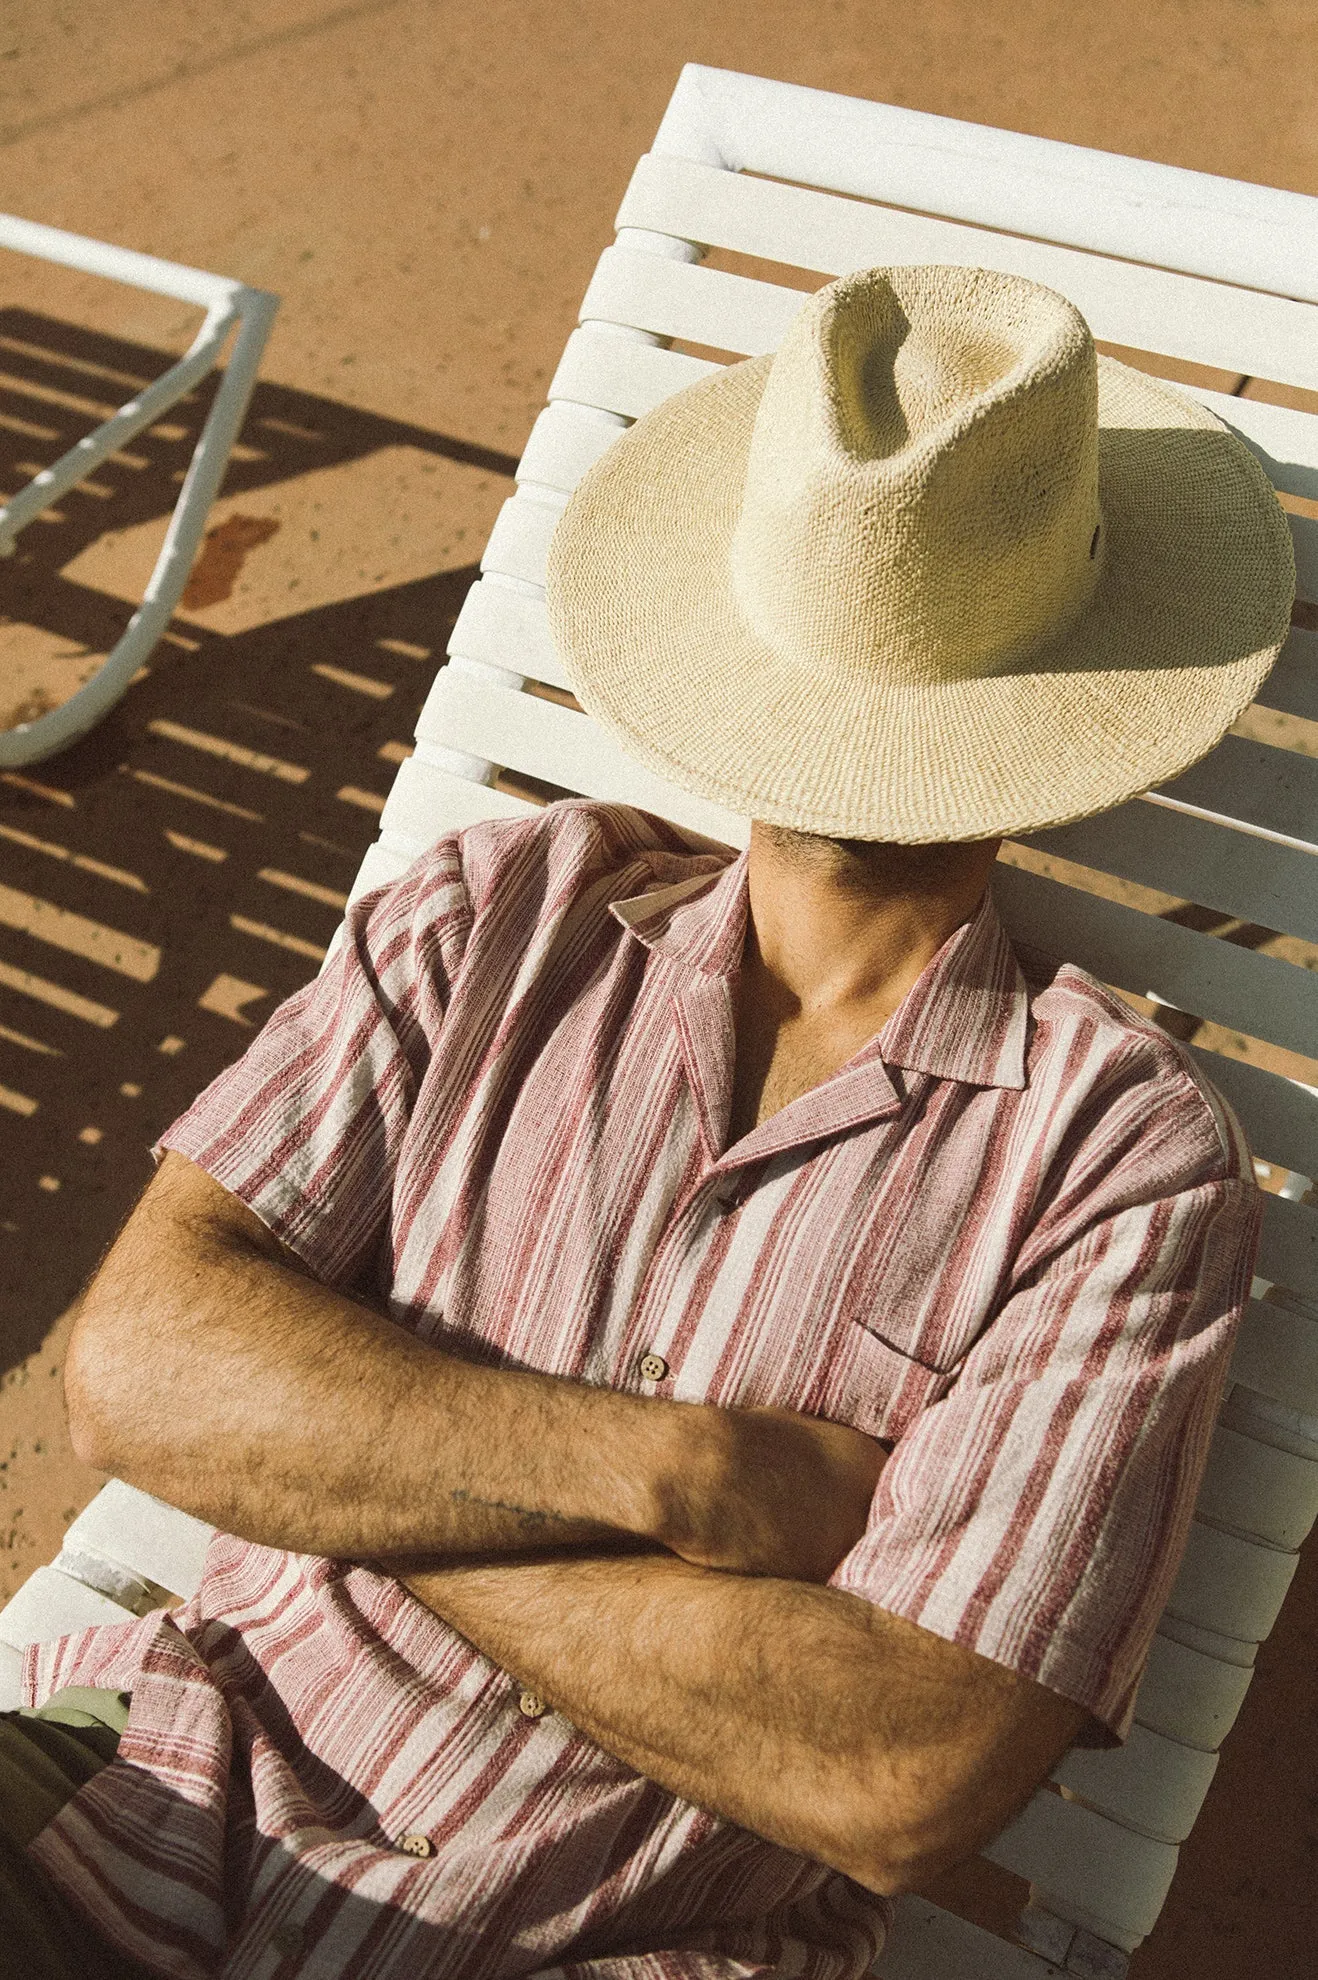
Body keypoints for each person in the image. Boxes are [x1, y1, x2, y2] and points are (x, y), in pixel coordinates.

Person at [4, 264, 1294, 1980]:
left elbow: (903, 1764)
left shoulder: (1116, 1154)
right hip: (154, 1785)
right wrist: (696, 1479)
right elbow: (142, 1373)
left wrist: (361, 1445)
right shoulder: (501, 911)